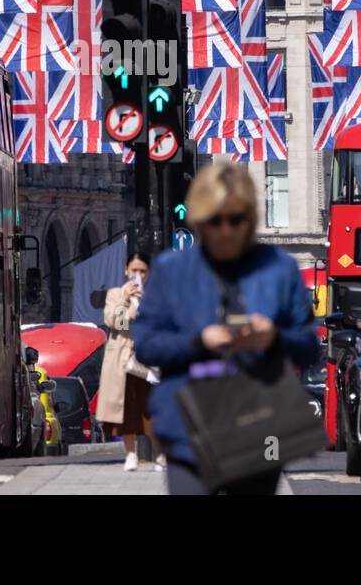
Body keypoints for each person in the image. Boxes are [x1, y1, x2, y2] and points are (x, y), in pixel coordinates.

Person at [133, 162, 320, 495]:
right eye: (214, 220)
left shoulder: (278, 268)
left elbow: (308, 344)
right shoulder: (171, 270)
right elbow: (147, 344)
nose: (226, 231)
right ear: (200, 221)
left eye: (236, 220)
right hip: (189, 421)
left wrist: (272, 337)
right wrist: (199, 341)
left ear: (249, 219)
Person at [97, 248, 162, 472]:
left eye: (142, 271)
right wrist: (126, 301)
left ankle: (160, 455)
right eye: (134, 270)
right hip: (122, 359)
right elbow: (115, 322)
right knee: (125, 409)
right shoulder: (115, 294)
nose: (138, 275)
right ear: (126, 271)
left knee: (152, 408)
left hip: (149, 358)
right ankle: (131, 454)